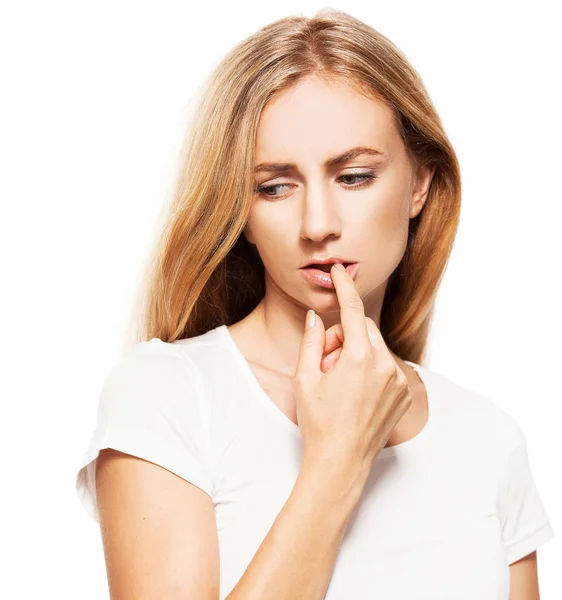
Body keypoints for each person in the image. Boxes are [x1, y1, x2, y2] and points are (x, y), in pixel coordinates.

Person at [74, 9, 555, 600]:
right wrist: (336, 462)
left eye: (353, 176)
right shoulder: (169, 397)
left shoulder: (488, 439)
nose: (317, 225)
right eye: (275, 187)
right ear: (240, 213)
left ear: (420, 184)